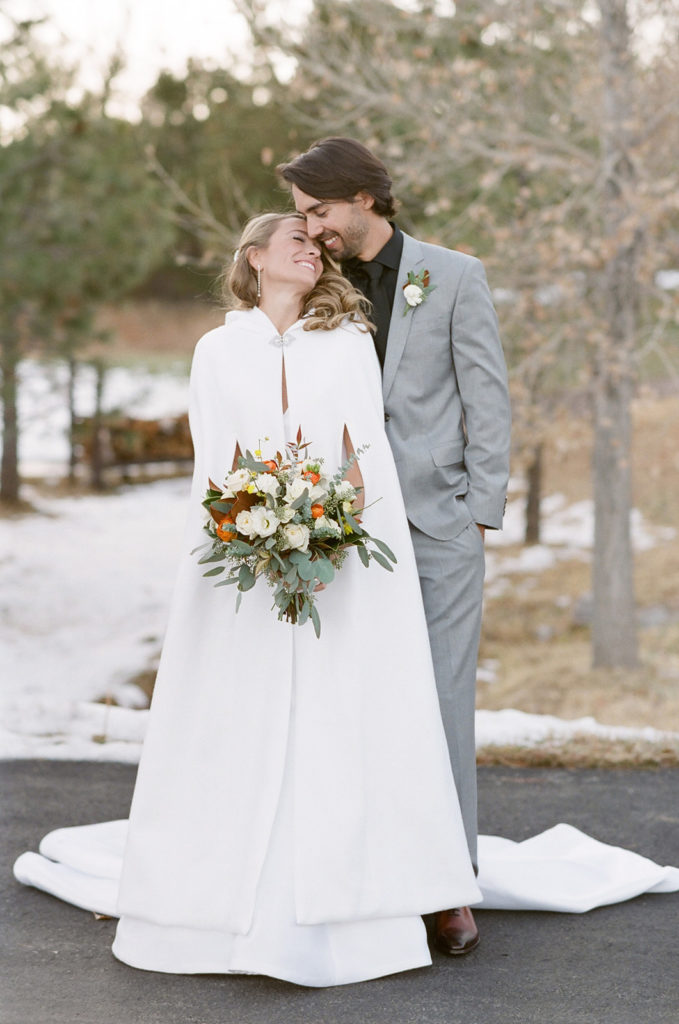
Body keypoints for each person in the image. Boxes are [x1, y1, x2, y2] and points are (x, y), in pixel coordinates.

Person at [104, 212, 480, 985]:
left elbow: (358, 449)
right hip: (241, 551)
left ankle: (363, 880)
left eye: (317, 245)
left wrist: (329, 528)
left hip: (336, 551)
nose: (312, 252)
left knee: (343, 703)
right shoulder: (217, 348)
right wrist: (247, 529)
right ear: (254, 258)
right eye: (295, 243)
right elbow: (215, 456)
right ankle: (226, 875)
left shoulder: (345, 341)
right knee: (234, 702)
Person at [278, 138, 512, 956]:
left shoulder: (453, 276)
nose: (311, 229)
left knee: (443, 702)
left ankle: (448, 887)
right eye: (303, 216)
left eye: (320, 211)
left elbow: (486, 393)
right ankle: (362, 870)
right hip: (340, 527)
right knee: (355, 698)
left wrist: (478, 507)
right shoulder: (317, 281)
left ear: (365, 199)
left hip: (436, 521)